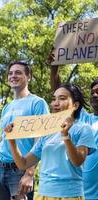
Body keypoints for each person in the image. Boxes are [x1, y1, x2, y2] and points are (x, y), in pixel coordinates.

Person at [7, 83, 96, 199]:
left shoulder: (83, 129)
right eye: (54, 99)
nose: (56, 103)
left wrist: (65, 136)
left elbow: (78, 161)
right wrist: (12, 141)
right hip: (43, 195)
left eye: (62, 98)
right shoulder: (47, 132)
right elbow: (23, 164)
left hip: (70, 195)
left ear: (75, 105)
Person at [0, 61, 49, 200]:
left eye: (18, 72)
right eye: (11, 73)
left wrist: (29, 173)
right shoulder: (7, 107)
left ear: (28, 76)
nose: (13, 76)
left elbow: (40, 140)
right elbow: (2, 139)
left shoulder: (37, 103)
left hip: (19, 170)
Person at [49, 56, 98, 200]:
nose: (95, 95)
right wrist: (54, 68)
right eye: (92, 92)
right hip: (80, 194)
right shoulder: (83, 119)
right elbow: (60, 92)